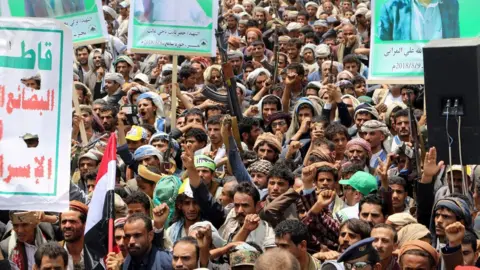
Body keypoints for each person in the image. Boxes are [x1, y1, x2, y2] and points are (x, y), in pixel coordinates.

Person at [379, 0, 460, 41]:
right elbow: (384, 51)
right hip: (405, 72)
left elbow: (455, 43)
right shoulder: (391, 8)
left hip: (441, 70)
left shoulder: (451, 5)